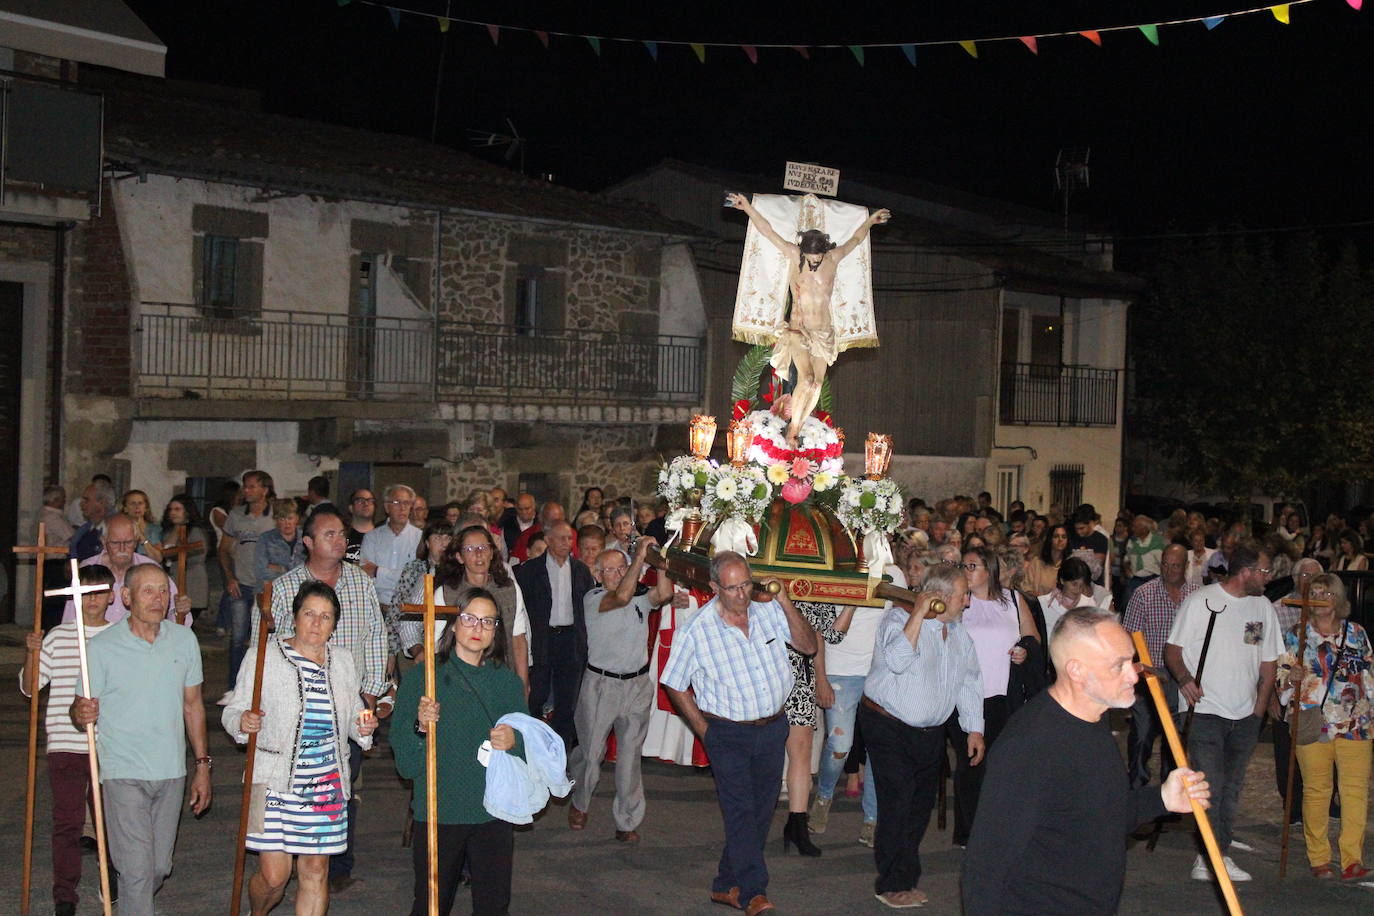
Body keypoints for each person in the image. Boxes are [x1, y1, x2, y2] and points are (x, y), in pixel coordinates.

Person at [962, 607, 1211, 915]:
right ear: (1077, 671)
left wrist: (1161, 798)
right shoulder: (1028, 747)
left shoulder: (1094, 721)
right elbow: (986, 865)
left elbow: (1100, 814)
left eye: (1131, 660)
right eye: (1118, 665)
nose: (1134, 674)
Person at [660, 551, 818, 916]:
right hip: (727, 733)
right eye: (732, 588)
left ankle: (723, 884)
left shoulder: (769, 613)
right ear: (715, 587)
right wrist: (704, 731)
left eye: (746, 584)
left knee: (761, 811)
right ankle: (753, 892)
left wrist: (786, 602)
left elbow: (808, 646)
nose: (741, 594)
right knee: (741, 813)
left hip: (772, 727)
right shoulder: (697, 630)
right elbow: (674, 683)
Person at [254, 508, 387, 895]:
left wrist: (370, 696)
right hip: (294, 711)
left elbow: (376, 639)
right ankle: (287, 854)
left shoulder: (361, 584)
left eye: (342, 534)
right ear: (308, 542)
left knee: (342, 786)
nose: (339, 540)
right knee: (295, 785)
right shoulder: (284, 587)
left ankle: (334, 860)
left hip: (347, 708)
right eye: (329, 534)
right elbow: (262, 649)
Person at [223, 580, 377, 916]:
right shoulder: (263, 655)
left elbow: (352, 713)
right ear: (295, 617)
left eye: (325, 617)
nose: (316, 624)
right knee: (274, 877)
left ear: (335, 623)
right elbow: (232, 710)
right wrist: (242, 722)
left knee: (315, 873)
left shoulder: (344, 661)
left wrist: (362, 726)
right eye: (309, 614)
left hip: (326, 786)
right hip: (272, 782)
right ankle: (258, 912)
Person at [70, 565, 212, 916]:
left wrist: (202, 766)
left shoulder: (184, 640)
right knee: (135, 872)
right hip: (122, 771)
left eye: (163, 591)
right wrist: (82, 713)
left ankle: (136, 905)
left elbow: (193, 706)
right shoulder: (102, 647)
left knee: (157, 867)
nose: (158, 599)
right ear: (127, 597)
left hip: (170, 771)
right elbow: (79, 707)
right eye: (147, 591)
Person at [392, 589, 528, 916]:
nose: (477, 628)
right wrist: (420, 728)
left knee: (493, 904)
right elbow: (407, 765)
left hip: (493, 809)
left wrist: (514, 742)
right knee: (432, 905)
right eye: (469, 618)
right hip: (441, 808)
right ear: (453, 625)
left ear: (496, 630)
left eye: (487, 621)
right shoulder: (422, 680)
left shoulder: (507, 684)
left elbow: (528, 750)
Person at [861, 564, 984, 909]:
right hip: (888, 724)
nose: (968, 603)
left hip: (929, 732)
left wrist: (974, 728)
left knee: (919, 808)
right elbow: (898, 661)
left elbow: (970, 680)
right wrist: (917, 613)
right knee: (897, 803)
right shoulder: (897, 620)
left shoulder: (958, 632)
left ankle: (904, 876)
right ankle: (892, 883)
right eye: (964, 596)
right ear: (942, 598)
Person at [726, 191, 890, 445]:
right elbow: (768, 231)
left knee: (816, 385)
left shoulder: (833, 258)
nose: (814, 261)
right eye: (811, 256)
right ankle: (792, 432)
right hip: (798, 330)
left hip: (823, 333)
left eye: (818, 256)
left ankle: (797, 427)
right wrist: (746, 207)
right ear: (804, 251)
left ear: (825, 251)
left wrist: (871, 221)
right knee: (807, 379)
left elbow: (855, 239)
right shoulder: (794, 256)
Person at [1164, 539, 1280, 883]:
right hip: (1206, 711)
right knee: (1210, 784)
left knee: (1232, 787)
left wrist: (1259, 708)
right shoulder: (1202, 602)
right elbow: (1173, 650)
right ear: (1246, 572)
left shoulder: (1262, 608)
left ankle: (1219, 850)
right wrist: (1184, 679)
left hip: (1244, 715)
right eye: (1265, 571)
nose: (1269, 577)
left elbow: (1269, 661)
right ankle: (1209, 856)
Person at [20, 564, 117, 916]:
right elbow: (31, 688)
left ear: (111, 596)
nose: (92, 600)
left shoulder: (120, 636)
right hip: (65, 742)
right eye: (84, 593)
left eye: (98, 592)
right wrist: (32, 652)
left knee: (111, 817)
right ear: (74, 598)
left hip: (109, 743)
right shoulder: (59, 636)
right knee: (67, 822)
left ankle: (113, 873)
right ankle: (65, 894)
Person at [567, 539, 677, 841]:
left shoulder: (640, 598)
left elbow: (664, 593)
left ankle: (627, 821)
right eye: (610, 570)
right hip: (601, 685)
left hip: (637, 685)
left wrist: (662, 564)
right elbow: (623, 594)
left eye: (621, 568)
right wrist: (640, 557)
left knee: (630, 757)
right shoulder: (595, 598)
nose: (616, 574)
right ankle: (580, 799)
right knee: (591, 754)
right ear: (598, 574)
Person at [1276, 573, 1373, 880]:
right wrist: (1290, 677)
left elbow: (1369, 672)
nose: (1319, 598)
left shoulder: (1356, 632)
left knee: (1354, 792)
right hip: (1312, 721)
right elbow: (1282, 672)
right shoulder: (1297, 634)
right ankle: (1319, 857)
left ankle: (1351, 859)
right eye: (1314, 593)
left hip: (1354, 721)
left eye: (1325, 593)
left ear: (1337, 599)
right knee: (1317, 791)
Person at [810, 567, 910, 846]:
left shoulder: (892, 573)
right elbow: (820, 630)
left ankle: (872, 818)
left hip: (879, 671)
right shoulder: (837, 566)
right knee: (840, 745)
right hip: (840, 670)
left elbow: (903, 620)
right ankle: (825, 795)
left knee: (881, 748)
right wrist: (821, 678)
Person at [949, 546, 1039, 846]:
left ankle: (991, 827)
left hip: (1003, 695)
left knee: (998, 764)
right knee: (971, 762)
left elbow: (1033, 636)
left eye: (972, 566)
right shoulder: (960, 600)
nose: (966, 570)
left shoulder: (1012, 600)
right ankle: (969, 832)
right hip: (965, 695)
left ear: (989, 570)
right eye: (964, 565)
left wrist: (1025, 648)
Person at [515, 520, 595, 750]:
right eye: (560, 538)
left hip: (570, 641)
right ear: (547, 539)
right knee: (536, 695)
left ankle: (560, 754)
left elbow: (587, 607)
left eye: (569, 538)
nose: (566, 543)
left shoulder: (580, 571)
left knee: (567, 701)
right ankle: (529, 748)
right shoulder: (531, 570)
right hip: (542, 640)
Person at [428, 523, 532, 692]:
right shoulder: (446, 593)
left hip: (501, 677)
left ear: (491, 553)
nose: (478, 554)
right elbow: (437, 645)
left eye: (483, 547)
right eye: (469, 549)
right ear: (459, 557)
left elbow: (518, 639)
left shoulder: (508, 589)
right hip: (459, 680)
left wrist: (523, 683)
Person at [1122, 544, 1194, 788]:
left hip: (1182, 679)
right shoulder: (1144, 594)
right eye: (1165, 564)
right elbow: (1128, 635)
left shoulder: (1196, 596)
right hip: (1149, 677)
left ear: (1186, 566)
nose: (1169, 570)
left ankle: (1169, 795)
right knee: (1142, 737)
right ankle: (1136, 790)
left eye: (1175, 565)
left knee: (1175, 742)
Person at [61, 514, 190, 627]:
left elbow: (176, 615)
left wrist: (180, 610)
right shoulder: (88, 569)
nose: (122, 549)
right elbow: (71, 613)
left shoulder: (151, 570)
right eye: (115, 543)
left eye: (128, 542)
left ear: (136, 542)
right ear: (104, 541)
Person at [1269, 557, 1323, 820]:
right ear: (1294, 578)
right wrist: (1269, 693)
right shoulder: (1279, 609)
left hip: (1317, 696)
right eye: (1304, 576)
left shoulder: (1324, 610)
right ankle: (1291, 803)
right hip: (1287, 690)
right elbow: (1269, 655)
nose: (1309, 582)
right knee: (1286, 750)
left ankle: (1320, 802)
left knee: (1318, 748)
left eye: (1315, 577)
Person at [219, 470, 277, 694]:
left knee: (267, 637)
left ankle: (263, 688)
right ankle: (234, 687)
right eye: (245, 486)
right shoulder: (235, 515)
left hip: (267, 587)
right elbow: (223, 549)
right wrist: (230, 577)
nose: (247, 491)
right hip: (241, 584)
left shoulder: (274, 516)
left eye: (252, 486)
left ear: (264, 489)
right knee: (238, 638)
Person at [384, 519, 454, 660]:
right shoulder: (415, 569)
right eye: (437, 537)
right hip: (417, 644)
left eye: (448, 538)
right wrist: (391, 653)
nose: (443, 543)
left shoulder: (458, 570)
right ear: (427, 543)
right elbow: (398, 609)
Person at [361, 484, 423, 608]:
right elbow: (366, 577)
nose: (402, 508)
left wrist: (378, 571)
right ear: (386, 507)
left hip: (410, 609)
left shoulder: (420, 538)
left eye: (407, 503)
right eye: (397, 502)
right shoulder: (372, 538)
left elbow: (417, 580)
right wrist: (402, 577)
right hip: (378, 607)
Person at [159, 495, 210, 617]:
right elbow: (164, 551)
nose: (173, 513)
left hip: (192, 582)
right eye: (171, 509)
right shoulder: (167, 532)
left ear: (187, 511)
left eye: (177, 509)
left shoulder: (195, 531)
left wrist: (176, 555)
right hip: (173, 580)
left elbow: (199, 555)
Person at [1037, 556, 1098, 642]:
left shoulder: (1089, 604)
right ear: (1062, 580)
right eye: (1074, 584)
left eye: (1081, 586)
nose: (1077, 590)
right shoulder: (1042, 603)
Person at [254, 498, 305, 595]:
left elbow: (311, 571)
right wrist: (293, 571)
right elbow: (261, 571)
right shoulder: (265, 539)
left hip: (300, 594)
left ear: (297, 518)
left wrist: (281, 568)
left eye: (290, 518)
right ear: (276, 520)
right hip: (271, 593)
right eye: (282, 519)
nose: (287, 523)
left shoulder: (306, 540)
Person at [70, 479, 117, 562]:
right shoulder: (85, 529)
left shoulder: (117, 528)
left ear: (102, 502)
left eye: (86, 500)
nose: (81, 504)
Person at [120, 490, 164, 561]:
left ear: (146, 508)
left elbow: (158, 558)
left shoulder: (154, 529)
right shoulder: (119, 529)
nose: (137, 507)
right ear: (125, 508)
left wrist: (140, 534)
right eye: (133, 503)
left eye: (140, 503)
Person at [1026, 524, 1069, 595]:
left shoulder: (1070, 563)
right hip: (1038, 602)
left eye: (1064, 537)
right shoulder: (1037, 562)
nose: (1060, 539)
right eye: (1056, 536)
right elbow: (1026, 586)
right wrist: (1032, 594)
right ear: (1050, 539)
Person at [343, 489, 376, 566]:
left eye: (370, 500)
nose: (366, 503)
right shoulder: (342, 535)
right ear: (351, 508)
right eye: (360, 500)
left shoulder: (382, 537)